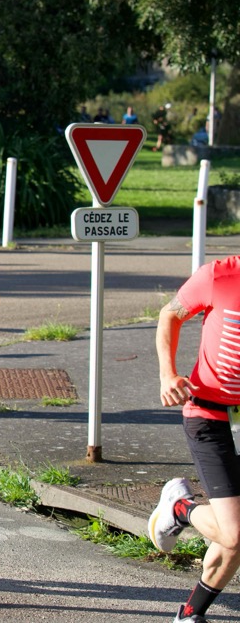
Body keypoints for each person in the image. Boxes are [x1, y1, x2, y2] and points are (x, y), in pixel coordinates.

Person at [147, 256, 240, 623]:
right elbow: (169, 315)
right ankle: (180, 508)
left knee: (233, 537)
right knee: (234, 533)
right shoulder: (220, 275)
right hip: (209, 415)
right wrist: (167, 375)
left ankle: (190, 615)